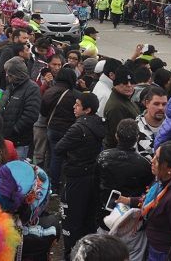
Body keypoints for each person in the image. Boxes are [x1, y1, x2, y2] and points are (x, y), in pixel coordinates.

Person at [117, 141, 171, 260]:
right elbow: (151, 201)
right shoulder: (162, 181)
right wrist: (127, 200)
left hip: (161, 253)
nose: (152, 161)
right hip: (151, 243)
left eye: (158, 159)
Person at [55, 92, 106, 259]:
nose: (74, 107)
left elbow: (59, 148)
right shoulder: (99, 124)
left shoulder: (78, 128)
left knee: (70, 219)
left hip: (75, 177)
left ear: (87, 109)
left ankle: (70, 254)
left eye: (77, 105)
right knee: (87, 218)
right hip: (91, 176)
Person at [95, 119, 154, 229]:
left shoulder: (103, 157)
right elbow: (147, 192)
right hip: (131, 219)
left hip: (105, 216)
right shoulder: (144, 164)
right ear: (137, 138)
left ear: (117, 136)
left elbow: (95, 185)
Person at [41, 67, 78, 192]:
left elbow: (43, 111)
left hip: (51, 128)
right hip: (67, 130)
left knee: (52, 155)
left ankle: (50, 183)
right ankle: (56, 185)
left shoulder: (49, 91)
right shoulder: (74, 95)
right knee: (61, 158)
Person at [0, 56, 41, 159]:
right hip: (5, 139)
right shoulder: (10, 86)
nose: (7, 75)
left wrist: (14, 130)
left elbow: (31, 115)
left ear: (17, 73)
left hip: (19, 142)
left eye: (9, 72)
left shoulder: (32, 88)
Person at [103, 66, 140, 149]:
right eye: (124, 83)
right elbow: (118, 138)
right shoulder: (116, 107)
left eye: (132, 82)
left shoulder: (125, 99)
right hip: (121, 152)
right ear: (116, 84)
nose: (129, 86)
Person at [136, 86, 167, 160]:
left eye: (164, 104)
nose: (161, 108)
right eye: (156, 104)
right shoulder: (135, 128)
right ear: (147, 103)